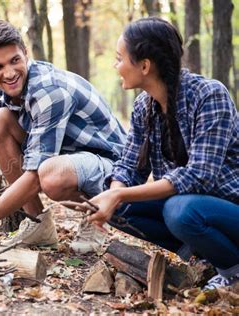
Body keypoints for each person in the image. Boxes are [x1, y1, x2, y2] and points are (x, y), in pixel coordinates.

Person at [0, 20, 126, 250]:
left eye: (15, 60)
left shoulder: (49, 91)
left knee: (52, 175)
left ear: (25, 54)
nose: (9, 73)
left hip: (113, 171)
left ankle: (95, 221)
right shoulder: (1, 91)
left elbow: (36, 175)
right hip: (67, 161)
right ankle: (39, 226)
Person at [81, 17, 239, 290]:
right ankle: (201, 254)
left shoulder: (210, 95)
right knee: (116, 203)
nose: (115, 66)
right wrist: (112, 194)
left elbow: (199, 178)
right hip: (190, 209)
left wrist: (118, 194)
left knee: (180, 210)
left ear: (144, 66)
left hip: (227, 207)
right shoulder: (144, 105)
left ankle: (232, 270)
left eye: (120, 59)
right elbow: (129, 167)